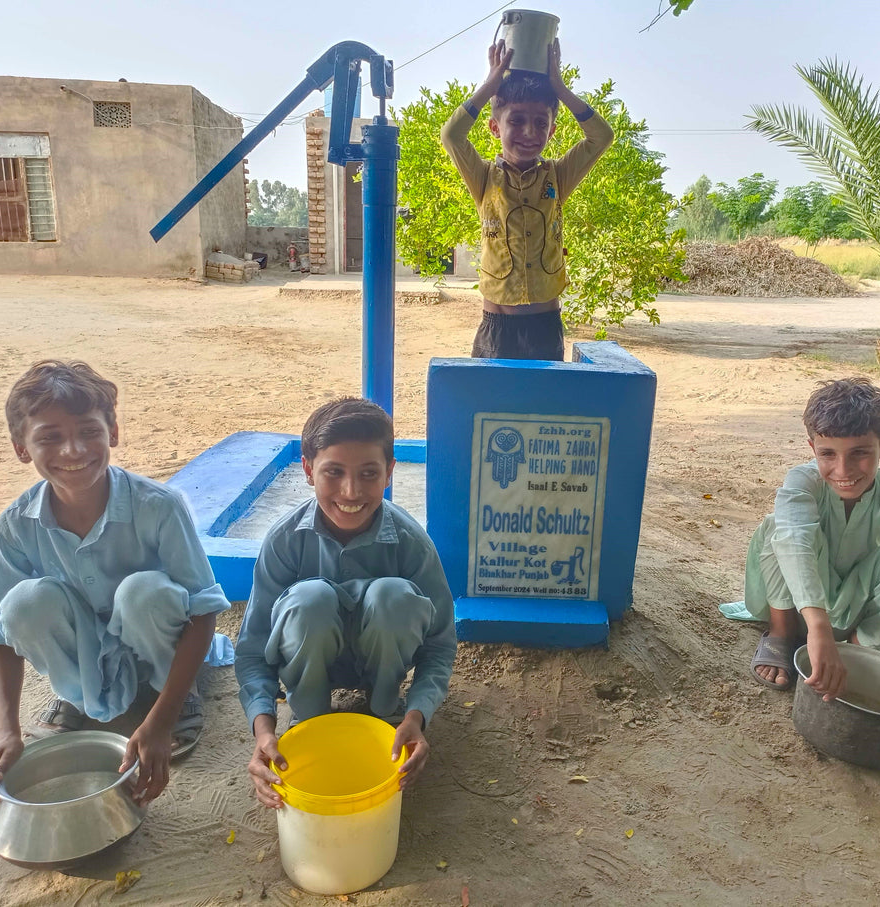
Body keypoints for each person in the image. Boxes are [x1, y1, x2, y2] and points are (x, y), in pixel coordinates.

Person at [0, 360, 230, 806]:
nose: (73, 450)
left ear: (113, 432)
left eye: (89, 431)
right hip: (89, 652)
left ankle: (177, 697)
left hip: (162, 643)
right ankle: (82, 695)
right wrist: (4, 730)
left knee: (142, 592)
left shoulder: (158, 506)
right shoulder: (16, 524)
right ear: (21, 448)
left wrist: (161, 720)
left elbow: (203, 610)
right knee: (23, 604)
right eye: (49, 436)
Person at [235, 398, 457, 809]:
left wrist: (418, 715)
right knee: (309, 599)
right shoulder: (284, 541)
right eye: (333, 472)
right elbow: (252, 650)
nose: (351, 492)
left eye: (369, 474)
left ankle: (386, 712)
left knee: (392, 596)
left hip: (385, 665)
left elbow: (441, 645)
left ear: (390, 472)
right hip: (311, 662)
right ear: (306, 470)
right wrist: (264, 731)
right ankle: (310, 720)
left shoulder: (412, 544)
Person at [736, 378, 880, 733]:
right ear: (812, 448)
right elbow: (794, 542)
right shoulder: (801, 483)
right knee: (779, 528)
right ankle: (780, 632)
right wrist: (817, 628)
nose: (843, 471)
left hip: (852, 603)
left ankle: (855, 649)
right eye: (828, 454)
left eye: (860, 453)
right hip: (796, 603)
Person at [441, 38, 614, 361]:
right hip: (497, 329)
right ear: (495, 126)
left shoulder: (557, 177)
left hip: (545, 328)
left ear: (551, 132)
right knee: (492, 408)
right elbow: (451, 136)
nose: (529, 132)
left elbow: (601, 136)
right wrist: (491, 84)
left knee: (542, 409)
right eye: (516, 120)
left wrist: (559, 89)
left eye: (540, 123)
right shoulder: (483, 177)